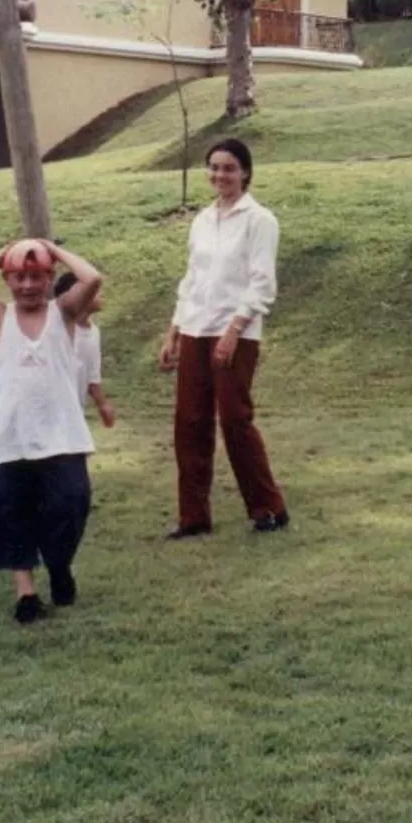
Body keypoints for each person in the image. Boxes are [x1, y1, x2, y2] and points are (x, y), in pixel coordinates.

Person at [0, 237, 106, 624]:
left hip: (62, 436)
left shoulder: (64, 311)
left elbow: (93, 278)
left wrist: (54, 250)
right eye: (19, 277)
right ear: (8, 279)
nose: (27, 286)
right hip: (10, 437)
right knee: (9, 512)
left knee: (69, 506)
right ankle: (26, 594)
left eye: (36, 277)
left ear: (49, 278)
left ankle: (58, 567)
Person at [158, 138, 289, 538]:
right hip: (196, 327)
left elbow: (262, 284)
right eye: (214, 167)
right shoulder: (202, 220)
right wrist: (173, 332)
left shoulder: (259, 220)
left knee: (234, 419)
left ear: (245, 172)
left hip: (235, 332)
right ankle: (193, 517)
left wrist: (234, 330)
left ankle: (268, 507)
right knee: (190, 422)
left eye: (229, 168)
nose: (220, 175)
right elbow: (192, 280)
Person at [54, 271, 119, 431]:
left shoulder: (93, 331)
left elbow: (92, 376)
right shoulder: (57, 327)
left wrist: (102, 404)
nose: (100, 294)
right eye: (94, 290)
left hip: (75, 414)